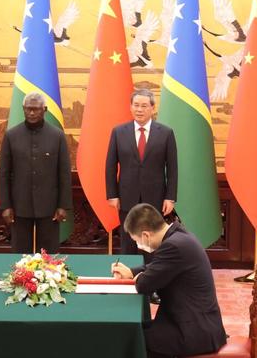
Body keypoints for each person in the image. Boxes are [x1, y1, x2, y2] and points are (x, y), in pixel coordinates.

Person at [111, 203, 227, 357]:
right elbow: (158, 267)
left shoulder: (173, 246)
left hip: (192, 332)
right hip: (195, 322)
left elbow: (143, 285)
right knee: (132, 331)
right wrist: (132, 272)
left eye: (137, 240)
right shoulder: (178, 234)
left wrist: (140, 278)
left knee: (127, 340)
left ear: (146, 235)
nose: (139, 245)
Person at [106, 88, 178, 255]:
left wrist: (170, 197)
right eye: (136, 105)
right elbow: (110, 165)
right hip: (126, 196)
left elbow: (172, 168)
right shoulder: (119, 132)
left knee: (152, 241)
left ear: (152, 108)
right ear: (130, 107)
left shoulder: (166, 133)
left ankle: (151, 275)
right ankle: (128, 275)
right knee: (128, 240)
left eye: (144, 106)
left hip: (155, 197)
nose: (139, 110)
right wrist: (112, 194)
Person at [0, 92, 72, 253]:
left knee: (49, 257)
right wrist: (6, 205)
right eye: (28, 109)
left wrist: (63, 205)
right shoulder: (12, 135)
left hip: (49, 207)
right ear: (23, 109)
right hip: (19, 207)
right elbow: (4, 173)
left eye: (36, 109)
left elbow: (64, 174)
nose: (31, 113)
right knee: (20, 256)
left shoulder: (57, 136)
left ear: (44, 109)